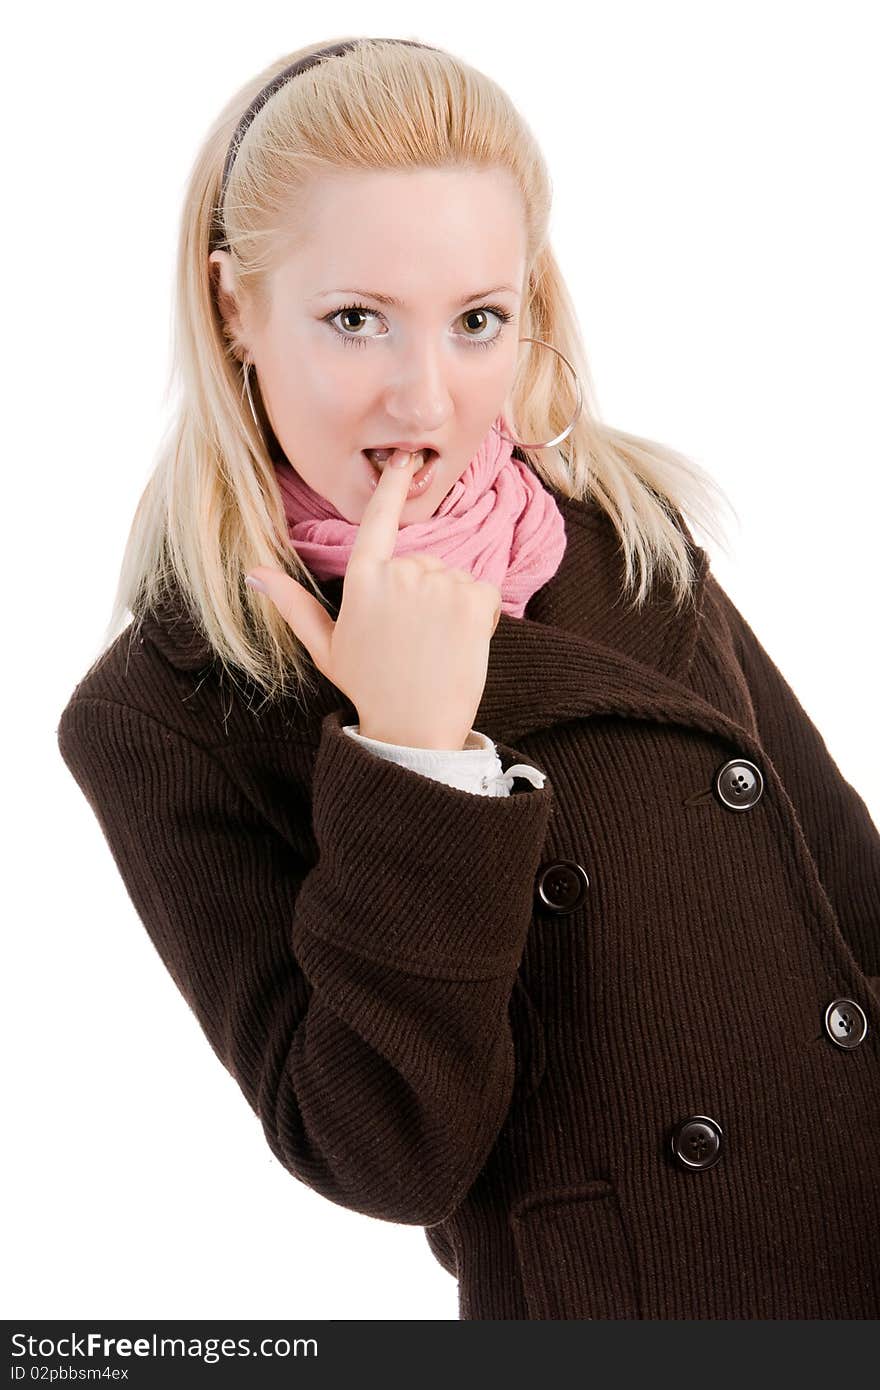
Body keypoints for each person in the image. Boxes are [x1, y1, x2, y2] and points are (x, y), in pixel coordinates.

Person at [56, 35, 880, 1320]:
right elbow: (383, 1151)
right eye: (353, 320)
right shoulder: (170, 707)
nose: (426, 399)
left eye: (476, 320)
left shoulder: (622, 532)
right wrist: (414, 755)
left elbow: (846, 895)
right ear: (234, 307)